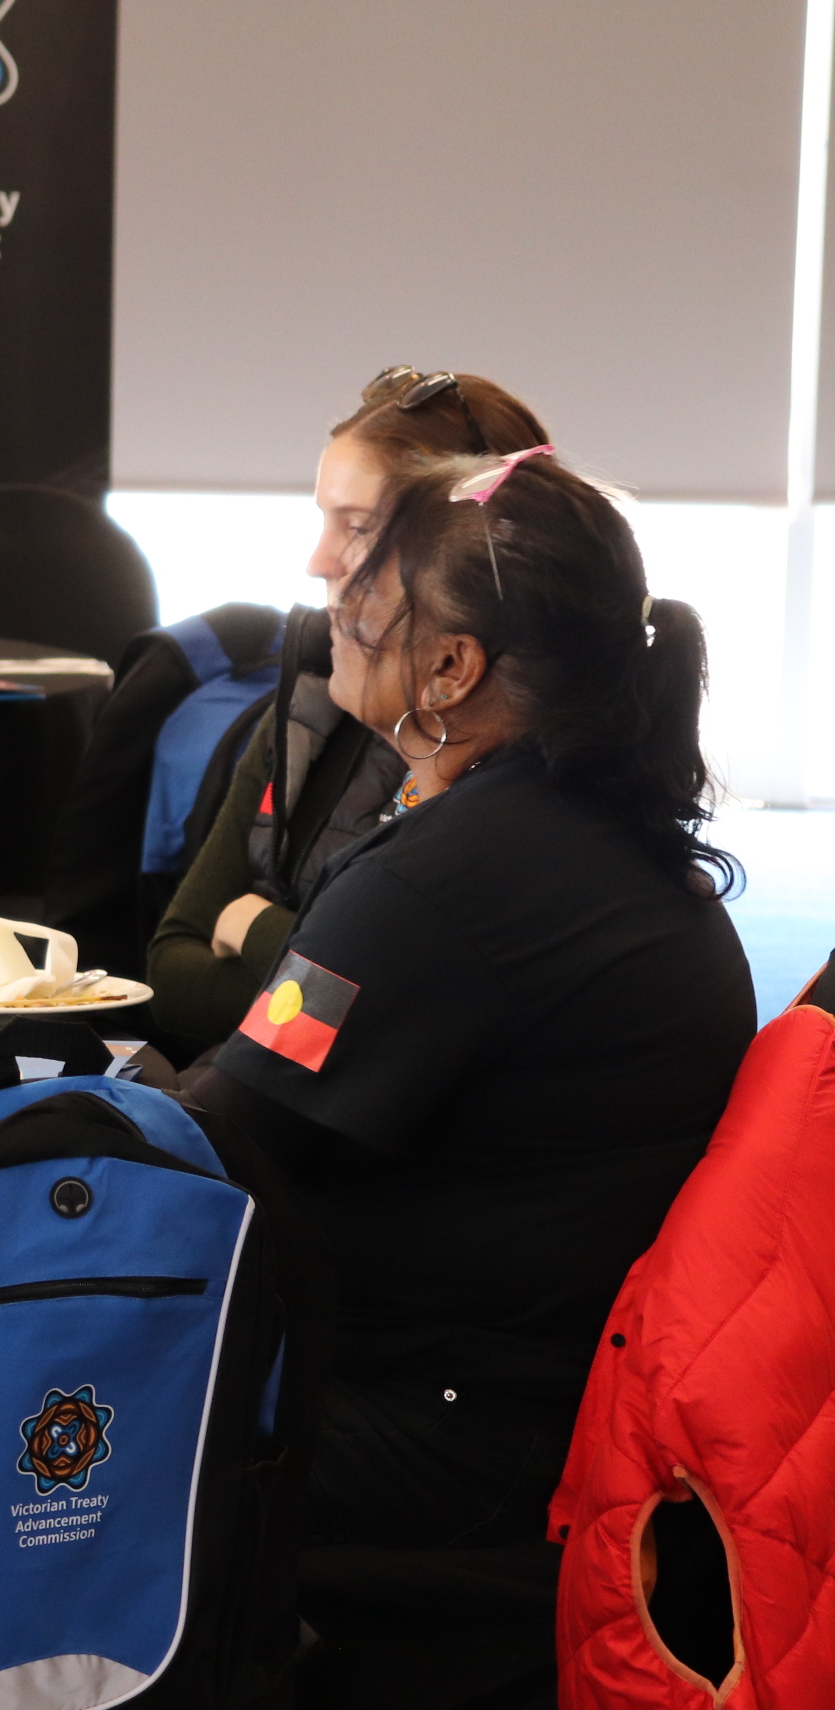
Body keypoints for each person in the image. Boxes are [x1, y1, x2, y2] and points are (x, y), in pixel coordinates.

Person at [181, 444, 751, 1704]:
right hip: (553, 1406)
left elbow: (209, 1152)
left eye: (371, 580)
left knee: (28, 1412)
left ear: (452, 669)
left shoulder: (455, 879)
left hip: (446, 1444)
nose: (332, 593)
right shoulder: (608, 835)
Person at [146, 369, 551, 1055]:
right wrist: (318, 982)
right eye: (323, 520)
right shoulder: (312, 705)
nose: (318, 561)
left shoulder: (525, 784)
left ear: (470, 560)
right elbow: (174, 972)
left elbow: (396, 1014)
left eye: (359, 527)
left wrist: (254, 928)